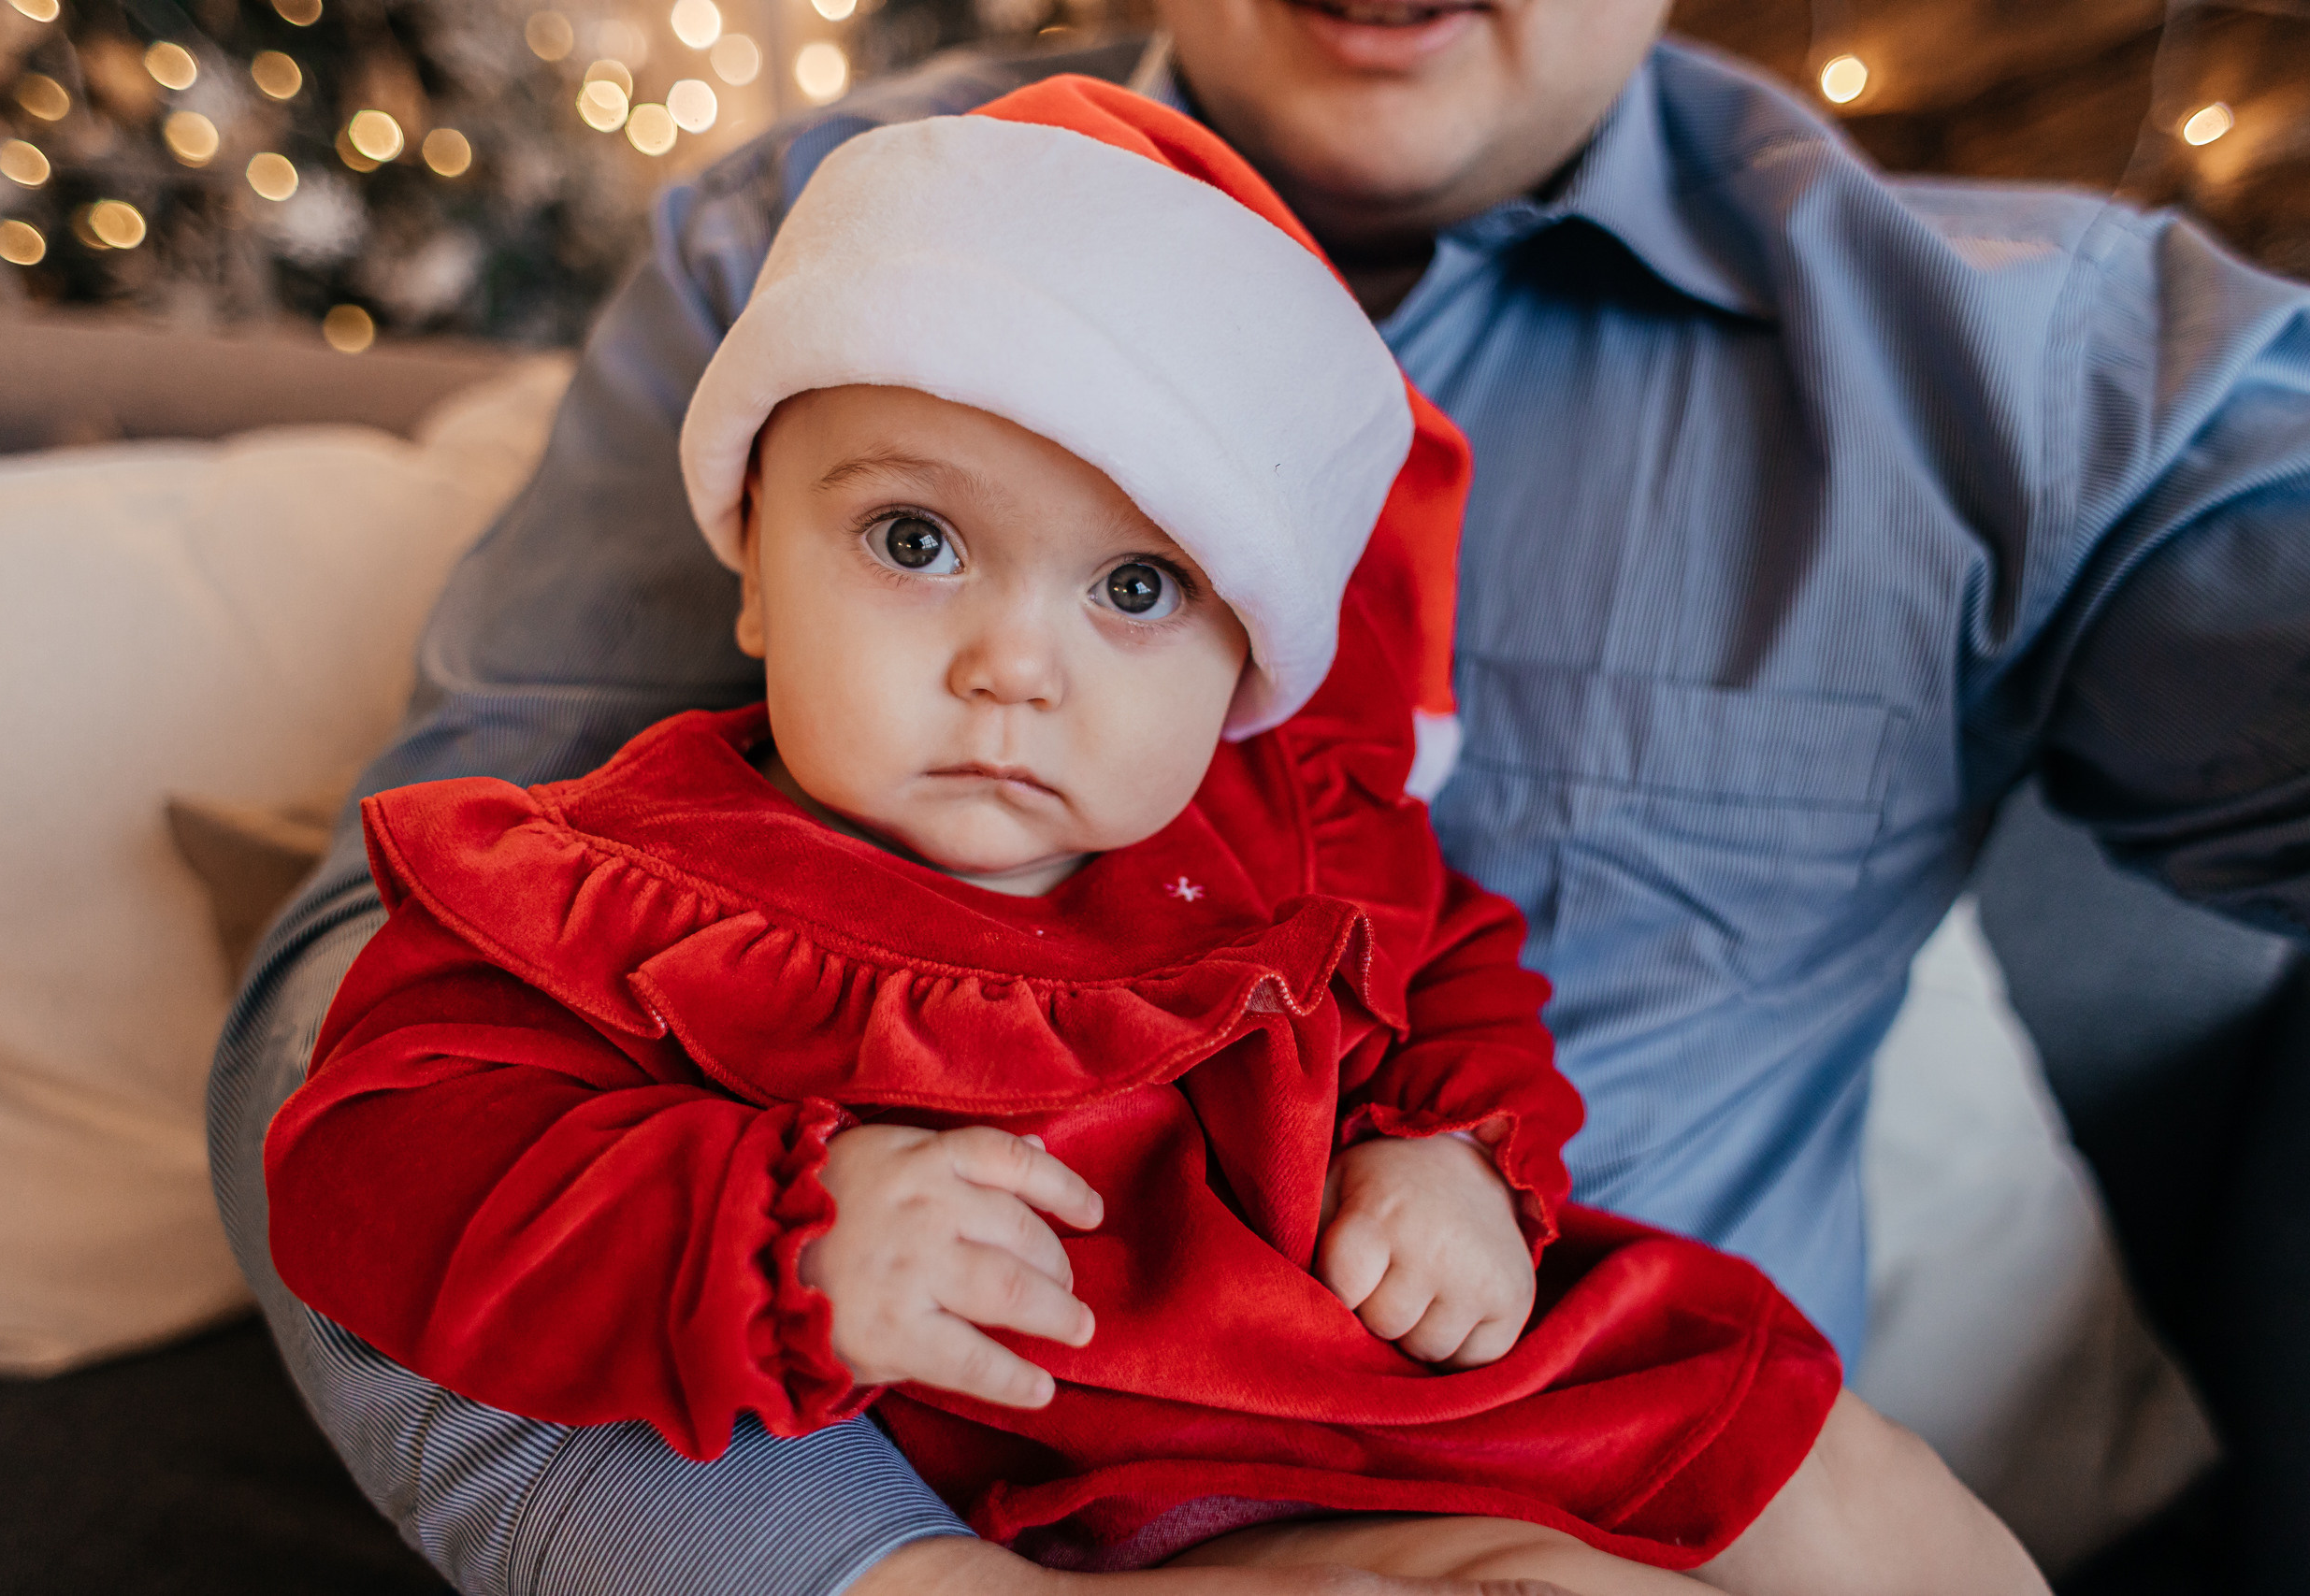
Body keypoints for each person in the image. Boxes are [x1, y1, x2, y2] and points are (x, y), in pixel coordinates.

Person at [206, 1, 2310, 1592]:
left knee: (1850, 1475)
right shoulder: (649, 868)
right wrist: (778, 1244)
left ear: (1245, 664)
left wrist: (1455, 1152)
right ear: (741, 551)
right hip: (1057, 1483)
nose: (1013, 663)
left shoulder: (1277, 836)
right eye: (913, 543)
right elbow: (376, 1117)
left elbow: (1444, 973)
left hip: (1475, 1379)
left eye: (1138, 588)